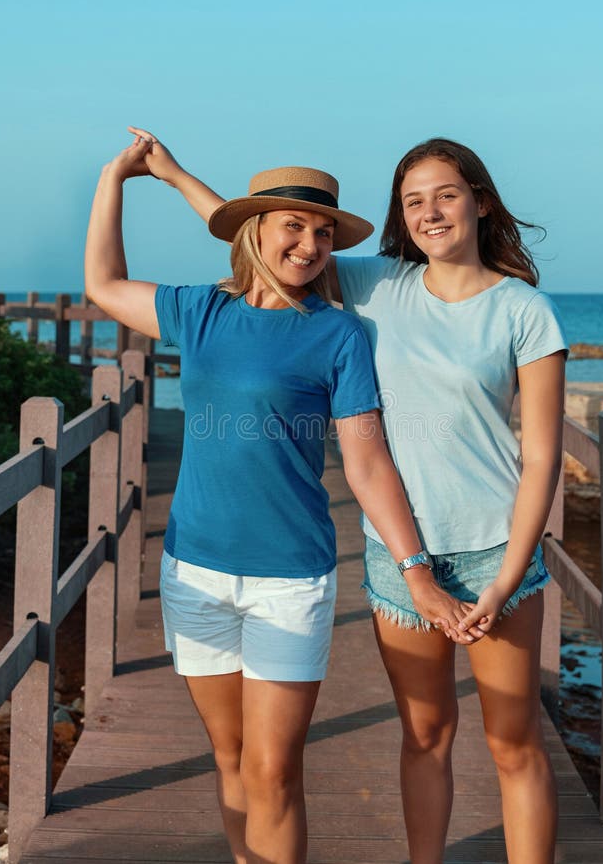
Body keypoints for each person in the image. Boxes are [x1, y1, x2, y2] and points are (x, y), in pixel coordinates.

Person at [128, 129, 567, 863]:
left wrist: (508, 576)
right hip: (402, 559)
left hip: (497, 548)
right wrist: (175, 176)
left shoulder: (523, 310)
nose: (430, 212)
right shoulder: (375, 284)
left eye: (446, 196)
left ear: (480, 203)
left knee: (512, 742)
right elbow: (266, 236)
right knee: (424, 736)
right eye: (413, 201)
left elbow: (543, 455)